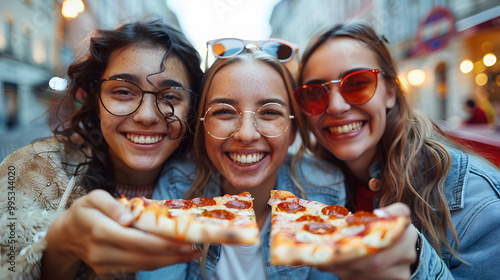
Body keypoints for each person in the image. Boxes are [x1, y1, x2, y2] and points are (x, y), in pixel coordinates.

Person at [293, 21, 500, 279]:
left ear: (390, 91)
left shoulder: (473, 198)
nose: (335, 106)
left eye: (357, 83)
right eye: (314, 93)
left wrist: (415, 264)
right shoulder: (304, 190)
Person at [0, 19, 204, 279]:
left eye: (170, 96)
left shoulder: (214, 189)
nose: (146, 116)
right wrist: (61, 247)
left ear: (191, 109)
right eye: (123, 92)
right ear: (96, 100)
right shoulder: (31, 170)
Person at [139, 42, 346, 279]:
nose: (246, 134)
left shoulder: (324, 188)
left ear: (293, 132)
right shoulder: (178, 185)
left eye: (269, 112)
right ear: (203, 126)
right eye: (224, 112)